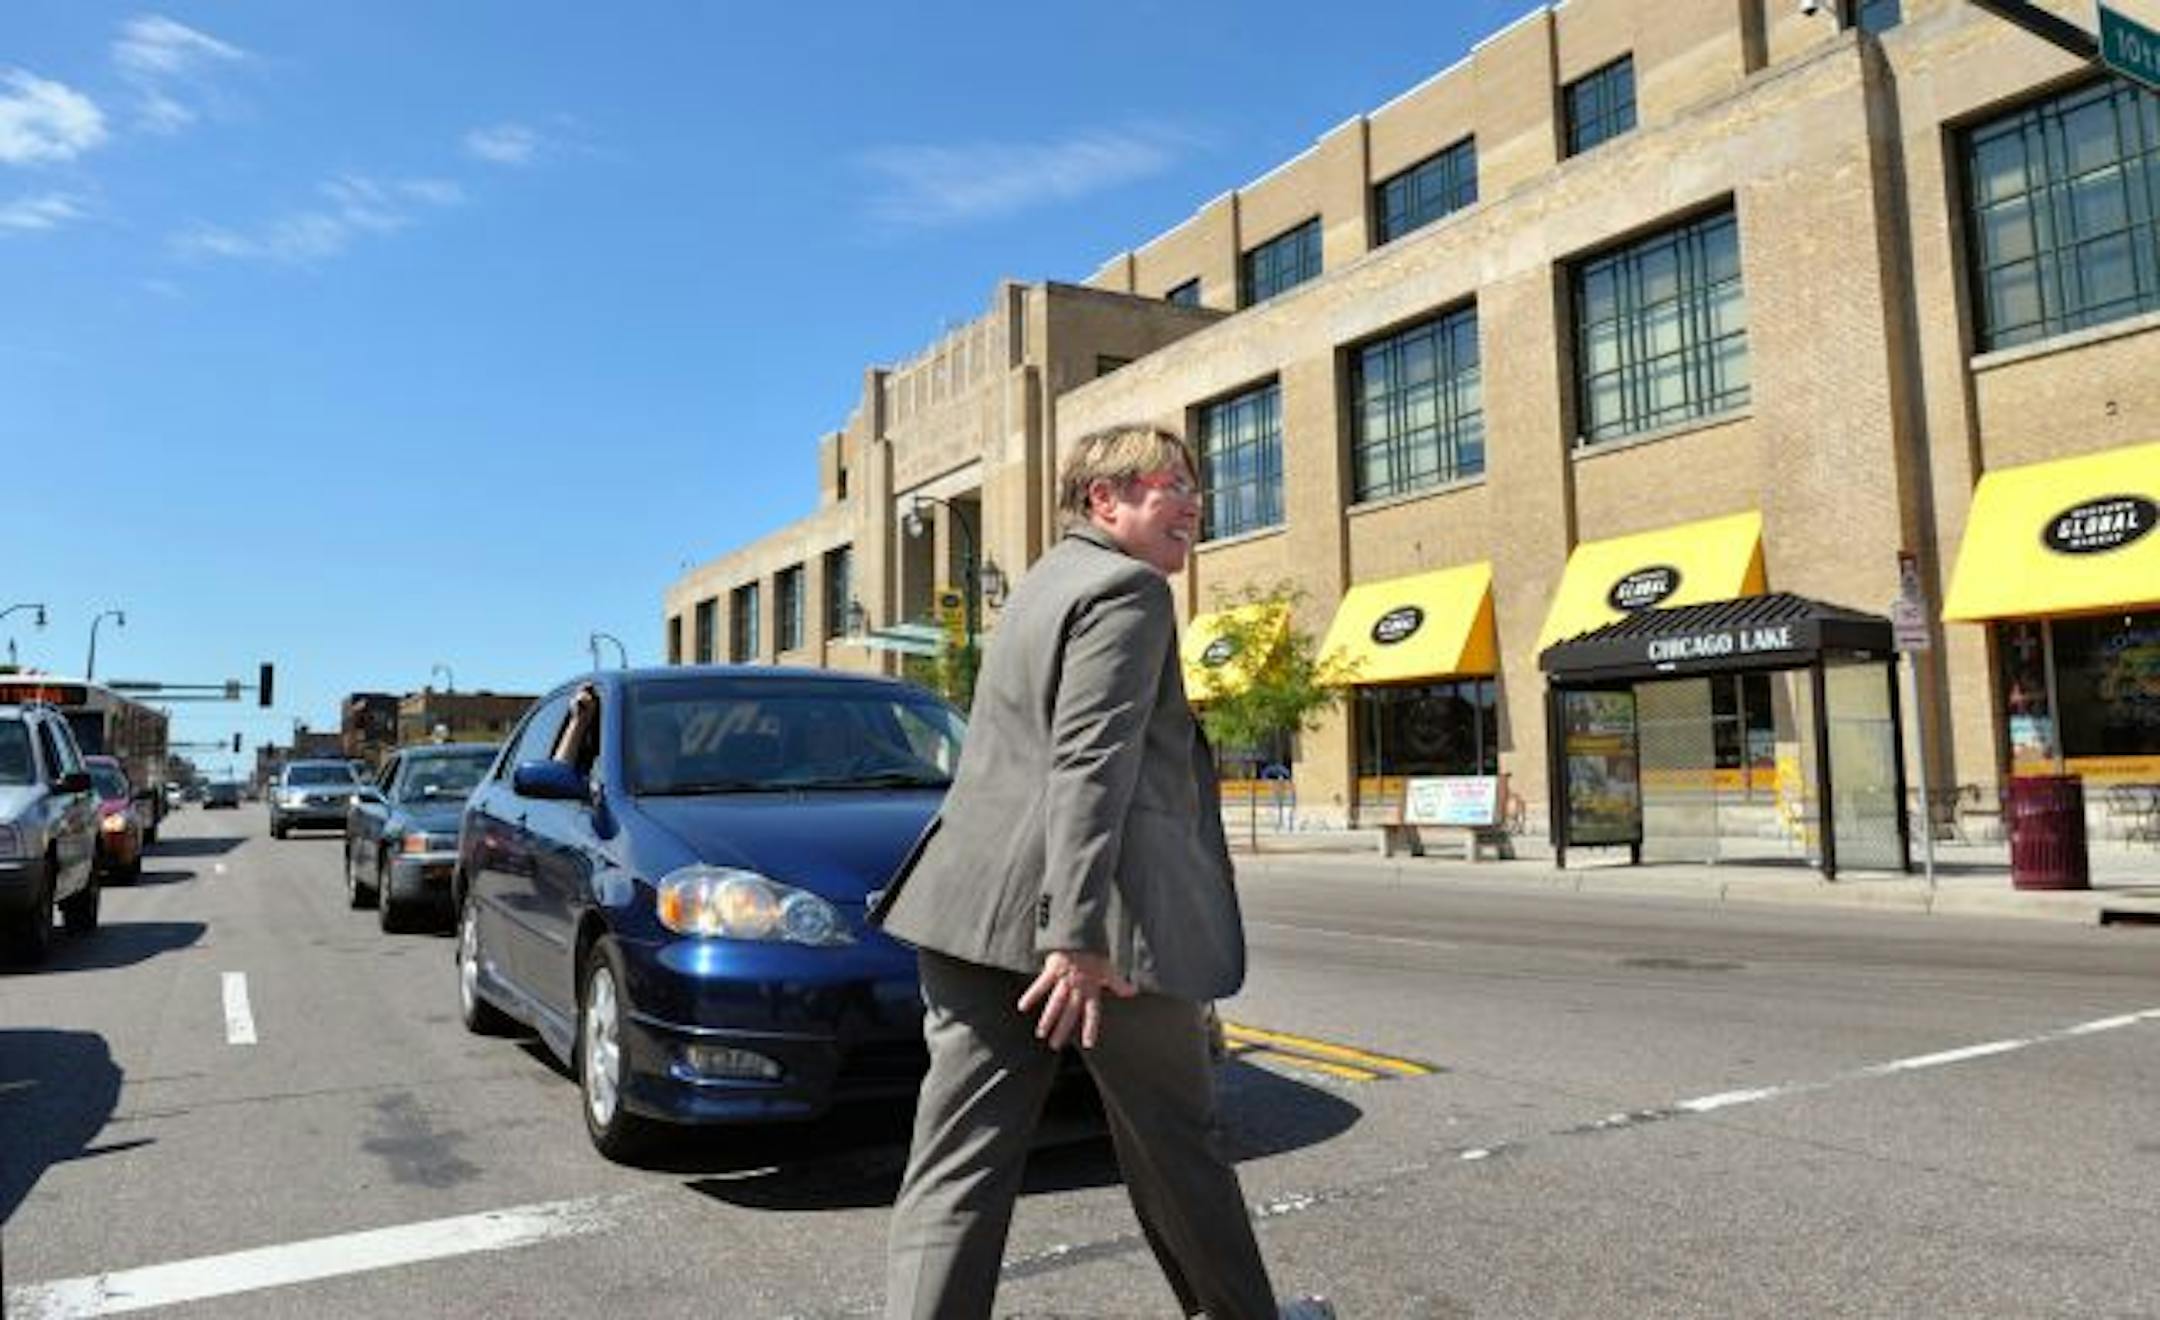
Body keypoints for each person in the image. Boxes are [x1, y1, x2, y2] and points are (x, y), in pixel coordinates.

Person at [872, 424, 1330, 1320]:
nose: (1193, 502)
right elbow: (1092, 762)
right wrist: (1073, 936)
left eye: (1197, 487)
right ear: (1104, 500)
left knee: (955, 1168)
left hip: (964, 918)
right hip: (1101, 938)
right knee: (1177, 1145)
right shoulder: (1127, 591)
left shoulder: (1043, 586)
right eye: (1171, 485)